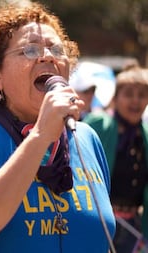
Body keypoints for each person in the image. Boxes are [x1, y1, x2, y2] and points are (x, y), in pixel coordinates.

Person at [0, 2, 116, 252]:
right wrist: (40, 136)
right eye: (29, 50)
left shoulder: (86, 137)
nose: (47, 56)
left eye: (57, 49)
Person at [83, 65, 148, 252]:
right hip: (101, 220)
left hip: (133, 225)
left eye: (142, 95)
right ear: (116, 97)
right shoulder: (99, 125)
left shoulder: (144, 135)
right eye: (129, 94)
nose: (135, 101)